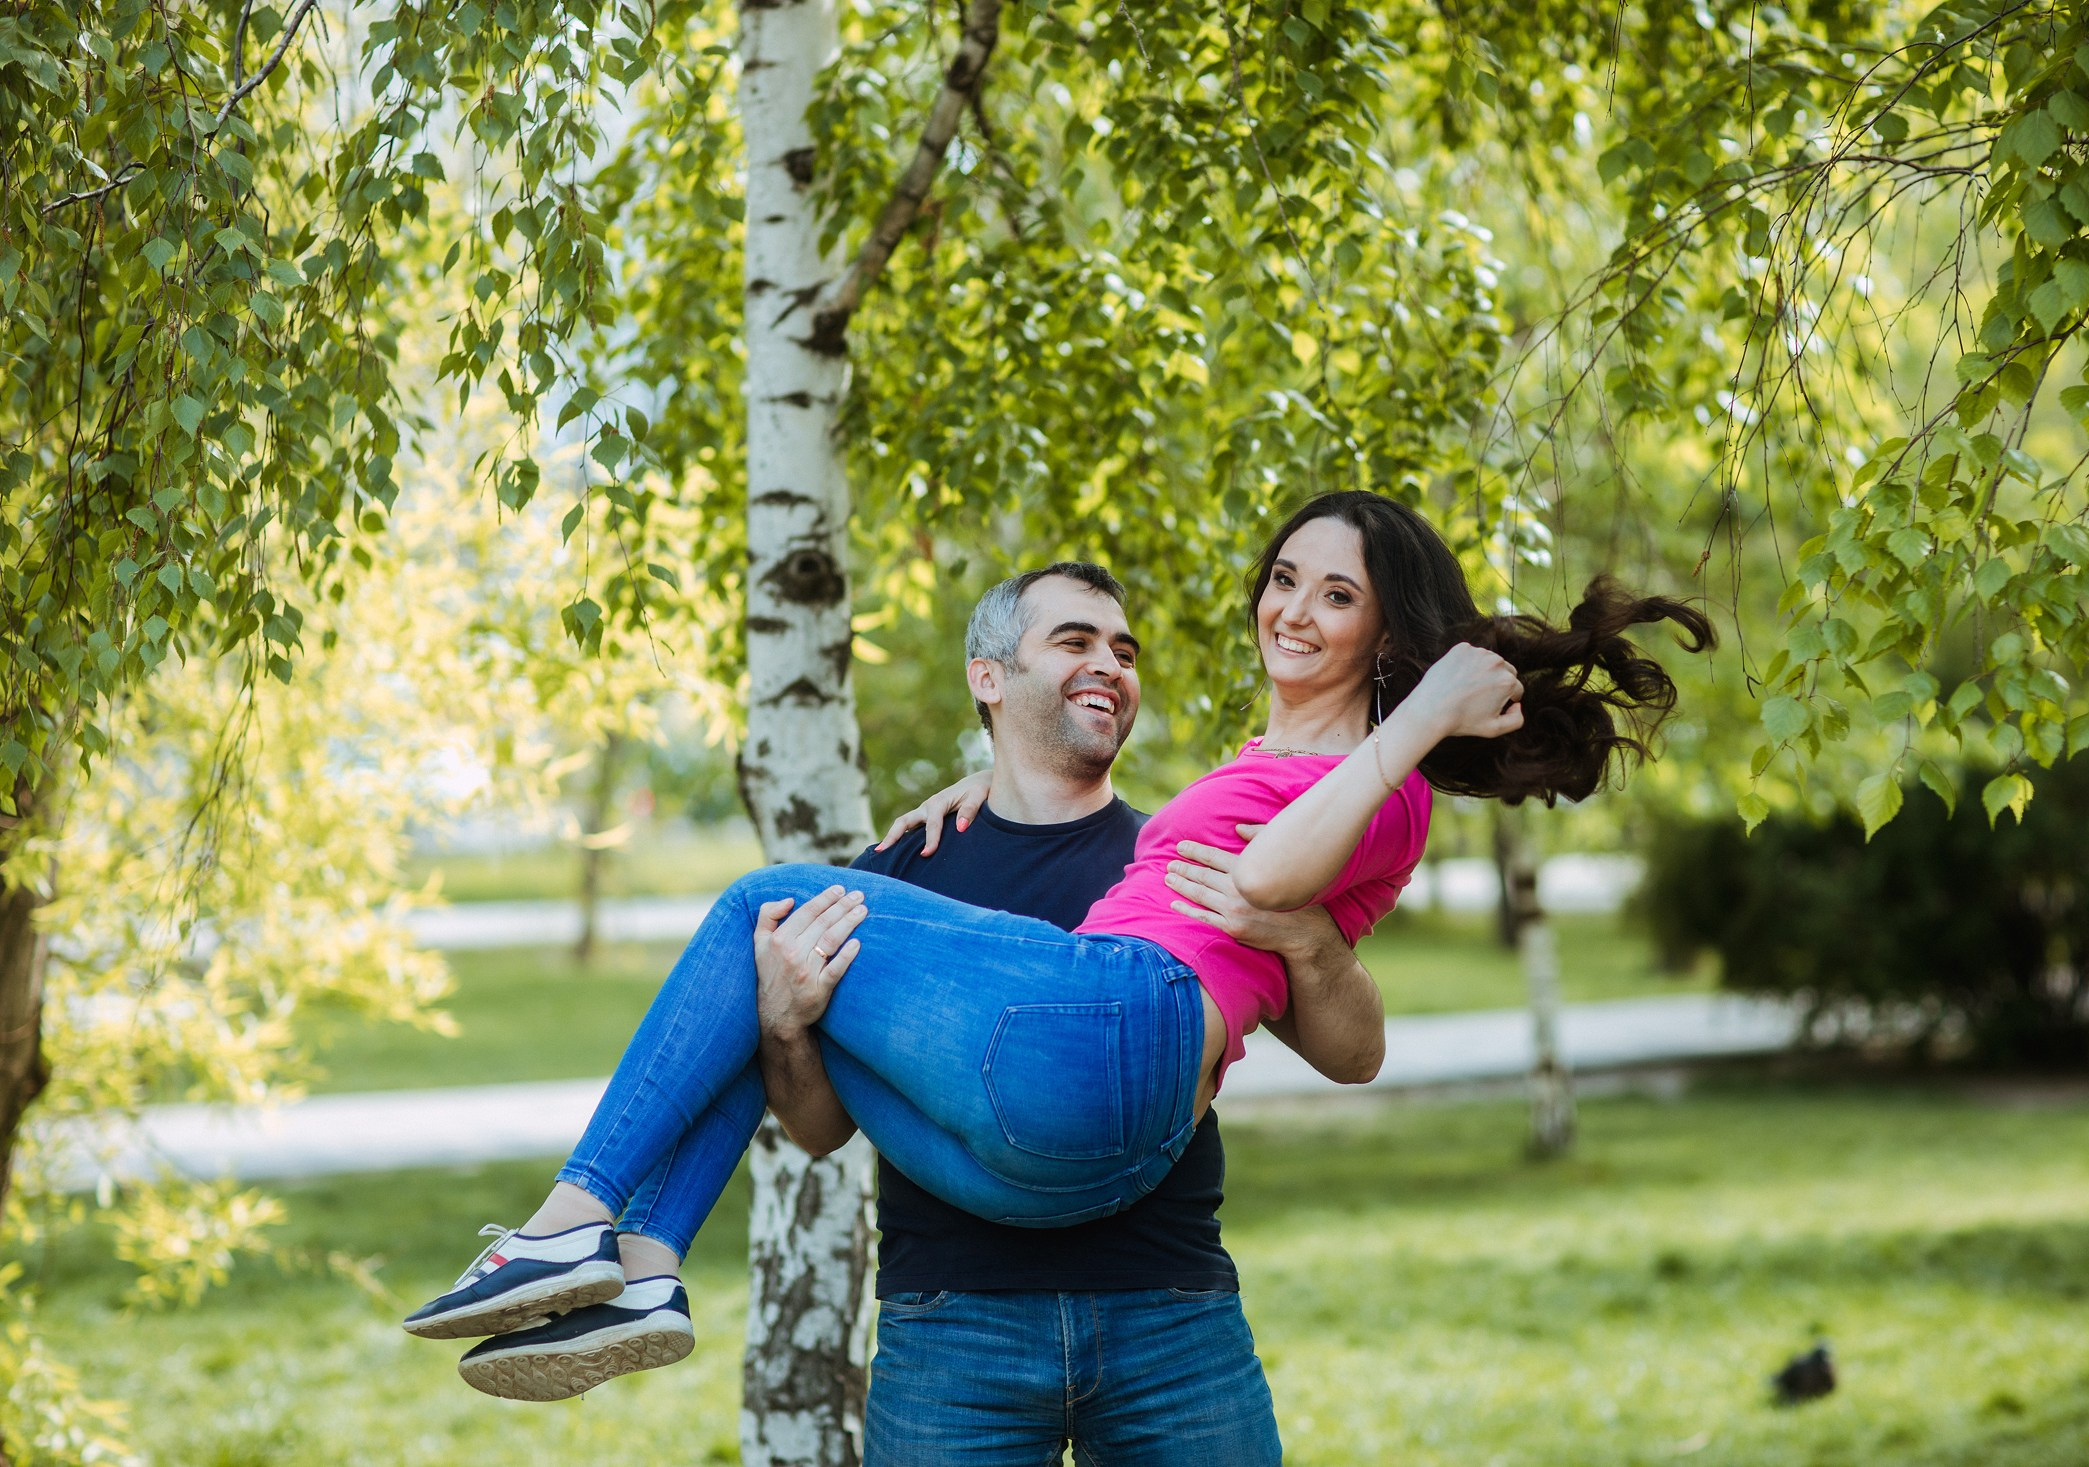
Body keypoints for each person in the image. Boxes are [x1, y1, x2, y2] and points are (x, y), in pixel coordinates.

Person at [400, 490, 1714, 1405]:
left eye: (1337, 593)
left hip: (1123, 1063)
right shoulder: (1309, 772)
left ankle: (575, 1221)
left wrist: (1424, 713)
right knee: (779, 953)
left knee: (761, 895)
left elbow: (1269, 888)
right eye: (1282, 578)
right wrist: (838, 965)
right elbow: (818, 1119)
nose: (1293, 607)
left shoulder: (1371, 775)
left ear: (1389, 633)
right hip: (1047, 1156)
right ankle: (641, 1269)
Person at [757, 560, 1370, 1462]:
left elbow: (1356, 1054)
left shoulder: (1186, 858)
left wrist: (1308, 937)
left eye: (1123, 650)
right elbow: (818, 1129)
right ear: (989, 677)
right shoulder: (897, 875)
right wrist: (784, 1025)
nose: (1110, 665)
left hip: (1170, 1315)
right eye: (1075, 641)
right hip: (955, 1330)